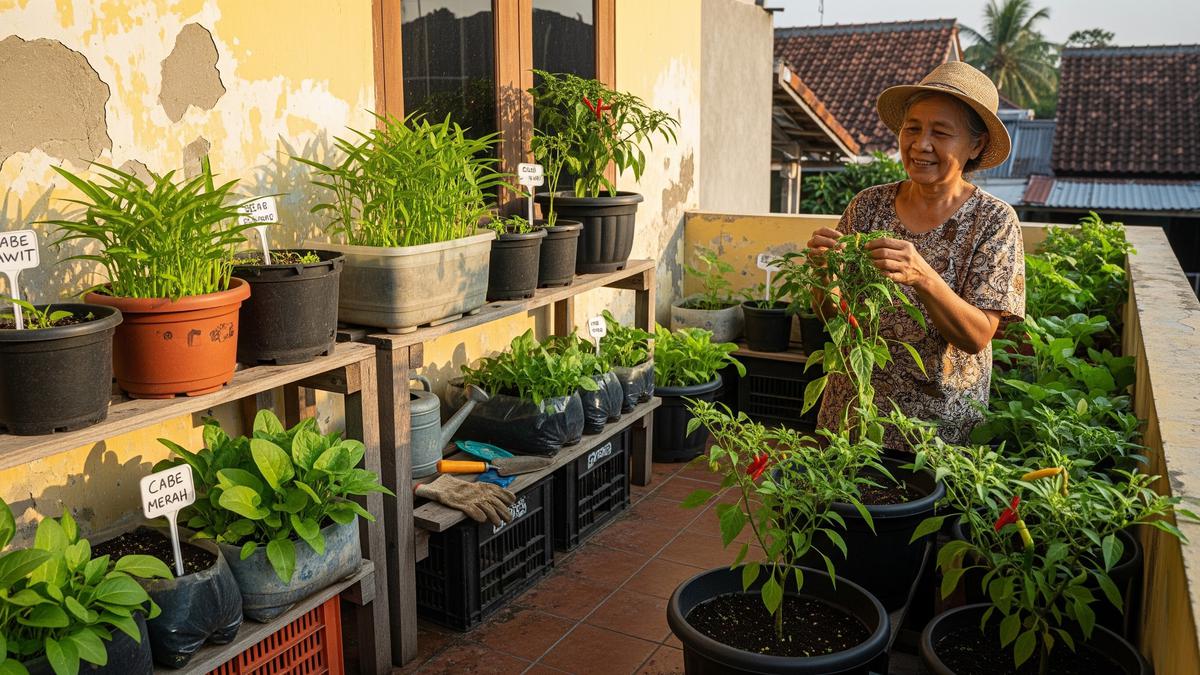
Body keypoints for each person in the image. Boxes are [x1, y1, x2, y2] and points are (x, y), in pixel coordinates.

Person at [807, 61, 1025, 447]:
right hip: (853, 413)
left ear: (975, 146)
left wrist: (924, 277)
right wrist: (824, 276)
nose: (921, 144)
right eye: (912, 128)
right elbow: (832, 315)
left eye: (940, 133)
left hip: (935, 434)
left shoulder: (993, 221)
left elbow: (977, 337)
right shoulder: (868, 206)